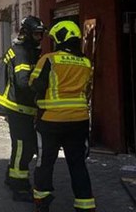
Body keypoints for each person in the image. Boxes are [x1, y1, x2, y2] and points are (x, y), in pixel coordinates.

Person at [29, 20, 95, 212]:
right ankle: (85, 204)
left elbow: (35, 84)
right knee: (77, 163)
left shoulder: (49, 59)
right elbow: (88, 89)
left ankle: (42, 200)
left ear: (60, 38)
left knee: (45, 161)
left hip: (51, 121)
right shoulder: (86, 62)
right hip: (79, 120)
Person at [0, 16, 46, 202]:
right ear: (27, 33)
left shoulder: (27, 49)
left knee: (23, 146)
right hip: (19, 107)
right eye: (37, 34)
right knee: (23, 147)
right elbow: (23, 83)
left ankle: (10, 176)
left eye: (41, 34)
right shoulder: (22, 52)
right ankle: (19, 185)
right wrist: (42, 87)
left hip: (23, 107)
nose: (39, 38)